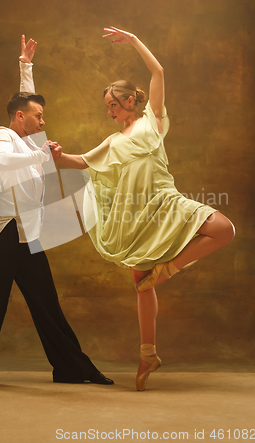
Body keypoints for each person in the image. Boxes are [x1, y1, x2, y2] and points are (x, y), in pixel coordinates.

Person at [49, 26, 235, 391]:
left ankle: (168, 269)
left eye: (113, 104)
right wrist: (58, 156)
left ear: (130, 101)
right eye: (107, 107)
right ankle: (148, 353)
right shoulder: (111, 141)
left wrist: (134, 41)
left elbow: (158, 73)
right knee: (141, 285)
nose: (109, 111)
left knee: (223, 229)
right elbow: (82, 162)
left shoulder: (153, 120)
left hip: (166, 202)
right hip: (136, 216)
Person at [0, 36, 114, 387]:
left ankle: (73, 368)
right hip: (2, 234)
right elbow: (2, 163)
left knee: (47, 304)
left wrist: (26, 67)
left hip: (29, 234)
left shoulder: (30, 136)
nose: (44, 122)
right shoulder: (4, 137)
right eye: (38, 117)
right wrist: (40, 155)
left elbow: (27, 102)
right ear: (20, 118)